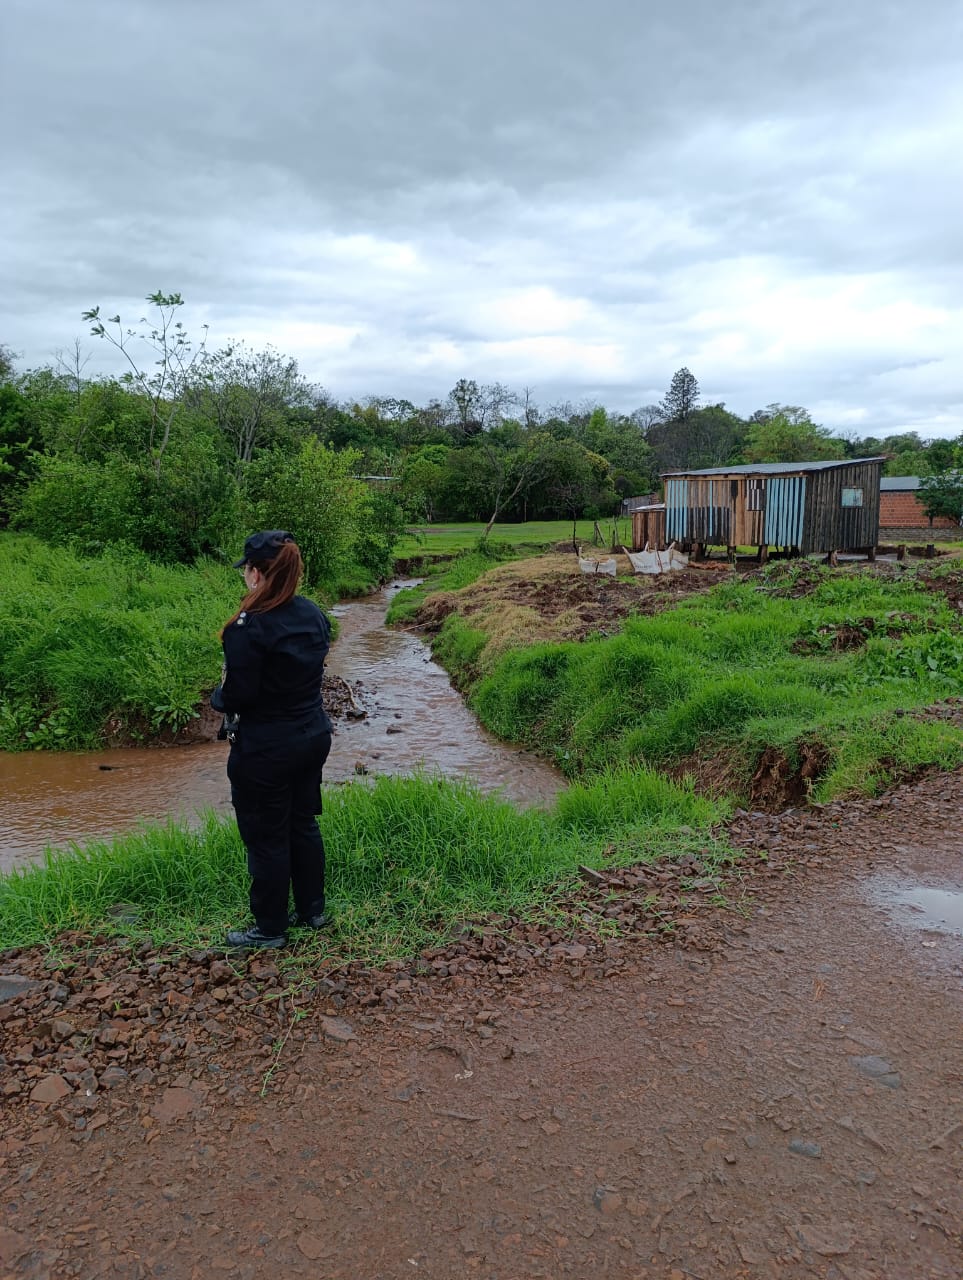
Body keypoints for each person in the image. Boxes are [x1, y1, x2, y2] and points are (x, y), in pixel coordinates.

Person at [216, 530, 333, 949]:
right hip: (312, 735)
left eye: (247, 568)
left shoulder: (248, 627)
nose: (245, 576)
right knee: (301, 823)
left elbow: (239, 696)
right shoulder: (313, 614)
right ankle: (312, 910)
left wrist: (218, 698)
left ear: (258, 573)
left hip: (267, 747)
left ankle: (269, 928)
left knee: (266, 834)